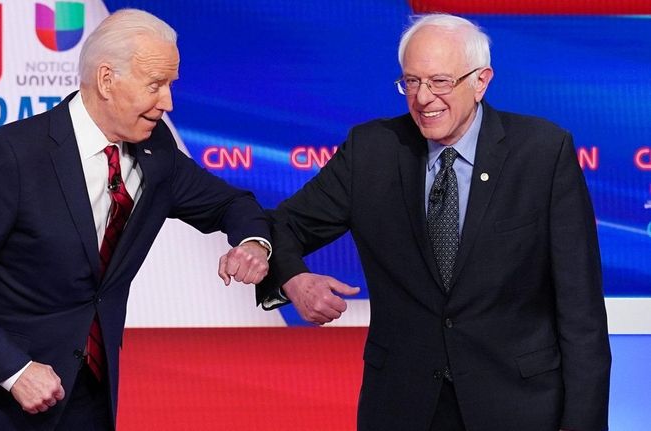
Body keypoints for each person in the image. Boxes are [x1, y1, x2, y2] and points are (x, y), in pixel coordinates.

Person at [0, 9, 271, 431]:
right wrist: (15, 370)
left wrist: (252, 242)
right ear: (106, 80)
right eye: (155, 85)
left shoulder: (157, 151)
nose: (168, 102)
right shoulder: (15, 154)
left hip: (89, 396)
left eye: (170, 85)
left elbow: (232, 204)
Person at [257, 13, 610, 431]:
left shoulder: (543, 152)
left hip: (518, 407)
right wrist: (295, 279)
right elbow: (280, 226)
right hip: (402, 406)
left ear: (481, 81)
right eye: (411, 82)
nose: (423, 98)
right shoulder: (372, 151)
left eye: (440, 81)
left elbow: (581, 312)